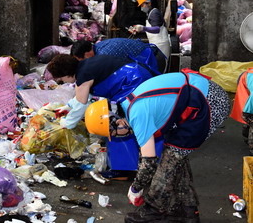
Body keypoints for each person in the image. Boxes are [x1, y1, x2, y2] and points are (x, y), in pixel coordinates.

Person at [84, 70, 230, 222]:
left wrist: (136, 188)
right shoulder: (129, 104)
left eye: (113, 133)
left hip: (209, 101)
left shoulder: (137, 115)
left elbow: (149, 163)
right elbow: (145, 152)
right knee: (176, 155)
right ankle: (187, 211)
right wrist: (138, 183)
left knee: (170, 160)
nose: (116, 137)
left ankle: (153, 211)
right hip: (203, 94)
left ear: (117, 122)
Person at [46, 54, 154, 129]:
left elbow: (81, 104)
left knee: (136, 120)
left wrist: (66, 123)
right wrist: (68, 106)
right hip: (139, 73)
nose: (63, 81)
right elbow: (83, 97)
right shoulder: (85, 66)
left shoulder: (83, 76)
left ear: (66, 73)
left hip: (134, 81)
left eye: (61, 78)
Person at [70, 38, 164, 74]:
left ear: (86, 54)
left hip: (152, 60)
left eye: (81, 60)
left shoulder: (104, 54)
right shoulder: (98, 47)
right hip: (149, 56)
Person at [129, 0, 171, 68]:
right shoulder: (150, 13)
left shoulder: (154, 13)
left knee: (160, 67)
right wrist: (138, 30)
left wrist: (143, 28)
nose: (141, 8)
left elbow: (157, 29)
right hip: (156, 44)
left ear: (149, 3)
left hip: (160, 45)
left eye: (142, 5)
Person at [231, 68, 253, 154]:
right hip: (250, 109)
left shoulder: (247, 74)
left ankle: (246, 135)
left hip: (246, 107)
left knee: (248, 121)